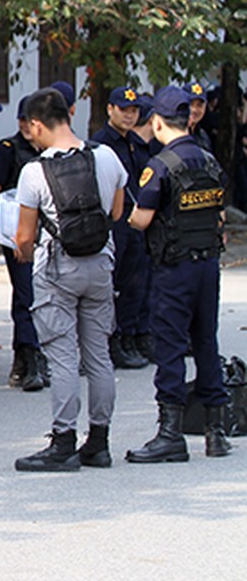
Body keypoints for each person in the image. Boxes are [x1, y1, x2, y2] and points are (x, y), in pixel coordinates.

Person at [13, 87, 126, 472]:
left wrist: (24, 254)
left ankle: (63, 443)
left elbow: (24, 236)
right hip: (100, 265)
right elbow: (116, 209)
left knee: (62, 358)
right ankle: (99, 442)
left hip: (58, 268)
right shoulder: (106, 156)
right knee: (99, 355)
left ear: (38, 124)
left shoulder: (34, 171)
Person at [126, 85, 234, 462]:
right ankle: (216, 433)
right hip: (207, 266)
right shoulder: (208, 161)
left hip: (174, 270)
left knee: (170, 346)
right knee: (206, 342)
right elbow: (218, 215)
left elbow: (141, 219)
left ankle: (170, 434)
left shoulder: (160, 166)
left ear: (156, 122)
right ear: (188, 118)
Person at [91, 86, 152, 370]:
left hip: (136, 220)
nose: (129, 115)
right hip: (114, 221)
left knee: (135, 282)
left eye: (134, 111)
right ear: (110, 110)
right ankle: (112, 340)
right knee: (112, 284)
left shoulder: (135, 143)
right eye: (124, 109)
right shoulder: (100, 145)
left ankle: (132, 335)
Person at [0, 99, 46, 391]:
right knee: (26, 297)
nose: (26, 126)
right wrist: (11, 237)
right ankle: (29, 358)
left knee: (44, 298)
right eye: (22, 119)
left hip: (46, 236)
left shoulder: (48, 150)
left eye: (32, 120)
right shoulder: (8, 149)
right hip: (18, 236)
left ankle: (30, 358)